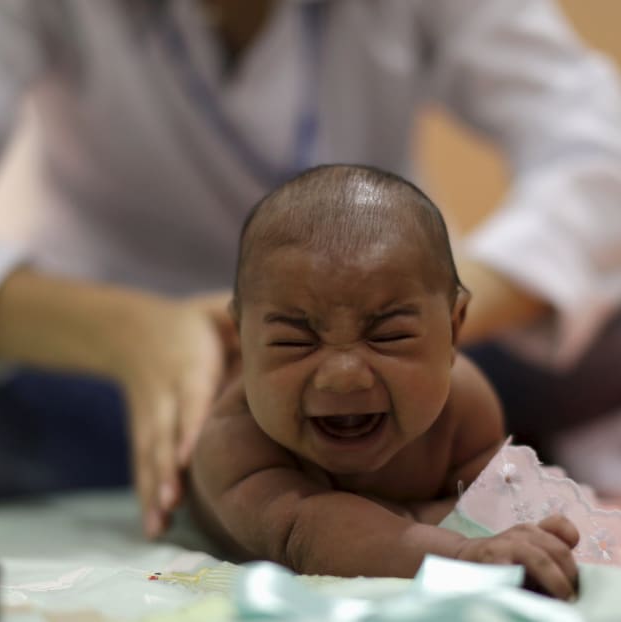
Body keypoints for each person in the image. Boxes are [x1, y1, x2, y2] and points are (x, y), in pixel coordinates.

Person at [0, 1, 621, 531]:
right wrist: (128, 334)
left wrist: (416, 322)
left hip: (407, 357)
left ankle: (297, 449)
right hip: (107, 357)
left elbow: (603, 165)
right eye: (285, 339)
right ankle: (332, 457)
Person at [189, 164, 580, 599]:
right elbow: (313, 534)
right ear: (242, 338)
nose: (343, 376)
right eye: (293, 342)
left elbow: (492, 507)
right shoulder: (234, 440)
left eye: (388, 336)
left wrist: (520, 531)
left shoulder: (464, 407)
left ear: (454, 327)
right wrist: (463, 554)